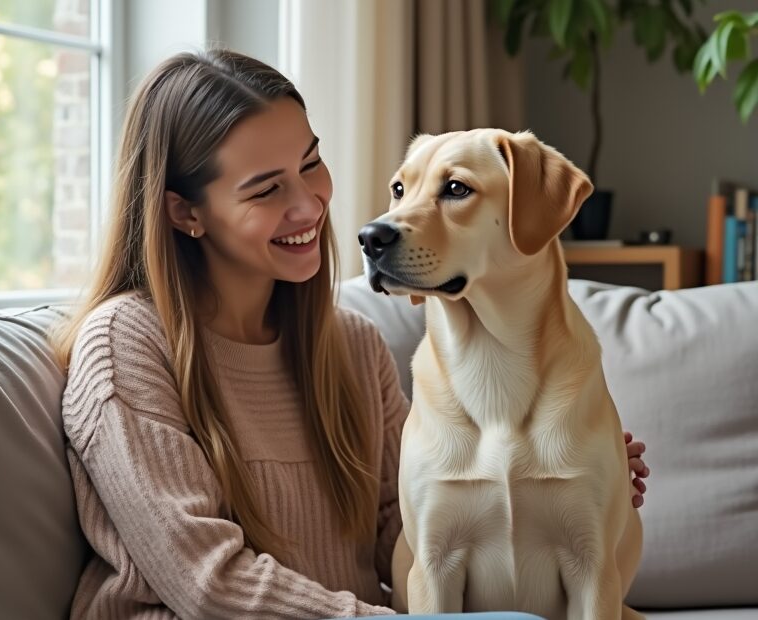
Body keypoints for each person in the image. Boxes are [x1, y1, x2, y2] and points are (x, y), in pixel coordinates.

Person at [53, 49, 649, 619]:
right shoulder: (124, 346)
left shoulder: (350, 344)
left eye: (310, 164)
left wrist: (563, 489)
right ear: (185, 212)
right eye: (266, 189)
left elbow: (405, 529)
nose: (309, 205)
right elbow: (207, 583)